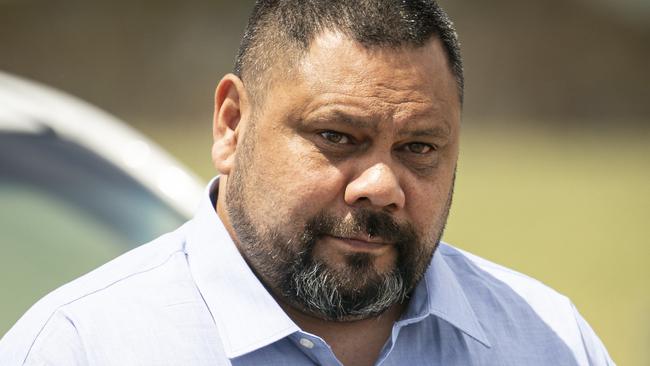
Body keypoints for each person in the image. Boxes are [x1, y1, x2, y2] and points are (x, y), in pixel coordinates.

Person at [0, 1, 615, 365]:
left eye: (419, 148)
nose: (380, 184)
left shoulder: (546, 340)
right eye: (337, 137)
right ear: (232, 126)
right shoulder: (85, 346)